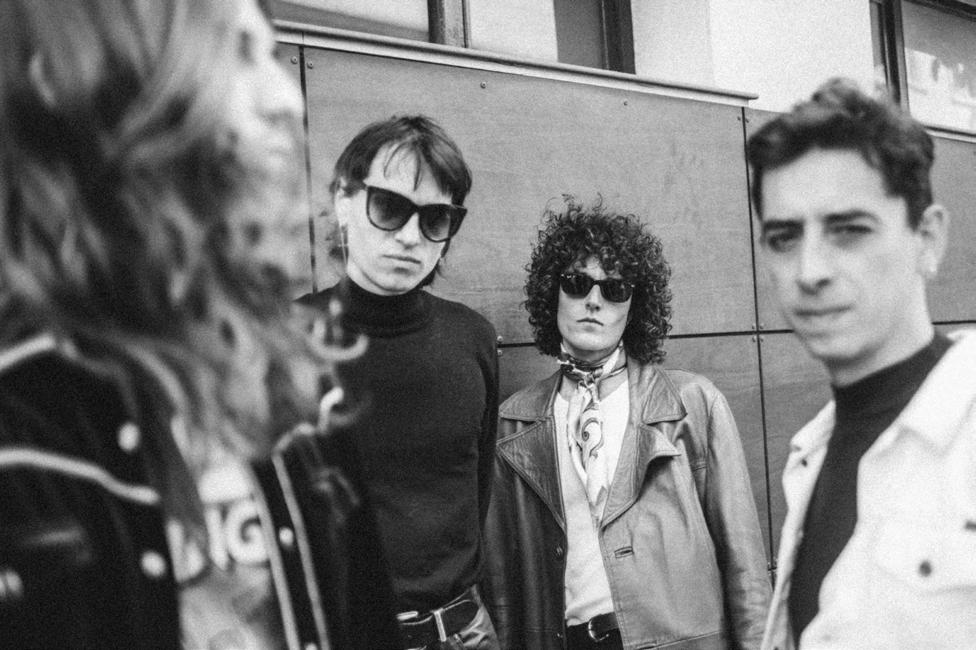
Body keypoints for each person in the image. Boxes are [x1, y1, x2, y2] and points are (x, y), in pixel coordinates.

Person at [0, 1, 400, 648]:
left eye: (272, 54)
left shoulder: (295, 374)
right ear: (98, 85)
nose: (287, 99)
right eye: (238, 51)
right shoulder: (23, 420)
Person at [748, 78, 976, 649]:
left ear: (927, 239)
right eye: (784, 237)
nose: (810, 271)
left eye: (849, 230)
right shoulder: (812, 453)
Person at [483, 198, 770, 650]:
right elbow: (501, 589)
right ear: (552, 294)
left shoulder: (694, 404)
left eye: (615, 289)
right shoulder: (512, 423)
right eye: (577, 283)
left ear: (634, 307)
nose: (593, 301)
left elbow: (746, 569)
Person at [297, 115, 500, 649]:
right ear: (344, 201)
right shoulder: (286, 343)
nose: (411, 237)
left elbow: (476, 492)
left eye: (436, 218)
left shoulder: (473, 339)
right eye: (389, 208)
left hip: (466, 631)